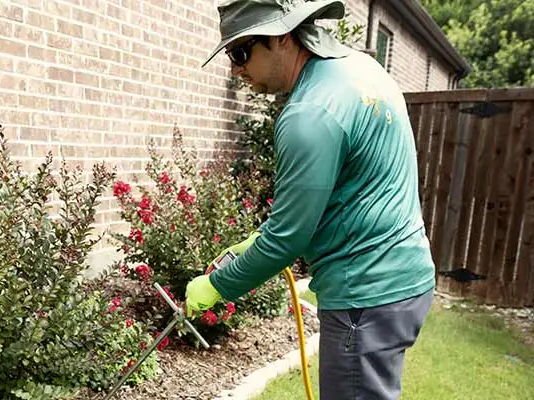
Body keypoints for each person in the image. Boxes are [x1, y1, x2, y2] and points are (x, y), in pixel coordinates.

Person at [183, 0, 437, 399]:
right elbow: (345, 187)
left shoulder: (309, 113)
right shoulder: (359, 69)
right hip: (405, 278)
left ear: (282, 37)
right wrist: (258, 240)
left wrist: (217, 285)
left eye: (240, 52)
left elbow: (287, 240)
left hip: (365, 295)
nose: (234, 69)